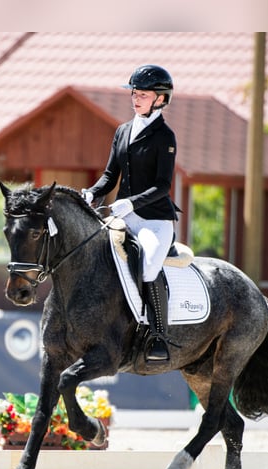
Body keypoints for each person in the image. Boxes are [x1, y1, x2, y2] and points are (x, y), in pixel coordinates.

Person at [81, 64, 179, 361]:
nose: (136, 99)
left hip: (155, 220)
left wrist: (133, 202)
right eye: (134, 94)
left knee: (149, 264)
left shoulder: (165, 137)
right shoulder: (123, 131)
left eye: (143, 94)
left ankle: (158, 335)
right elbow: (110, 175)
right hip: (125, 215)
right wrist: (92, 192)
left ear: (160, 99)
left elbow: (163, 186)